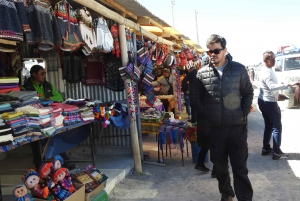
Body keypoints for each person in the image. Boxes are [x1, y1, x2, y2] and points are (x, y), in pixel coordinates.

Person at [195, 34, 253, 201]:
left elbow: (248, 92)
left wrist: (243, 112)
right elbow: (196, 99)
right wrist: (207, 114)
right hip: (215, 130)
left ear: (225, 50)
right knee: (219, 168)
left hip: (237, 128)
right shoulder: (202, 73)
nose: (213, 54)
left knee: (240, 168)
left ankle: (245, 198)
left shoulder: (239, 69)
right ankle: (226, 193)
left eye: (217, 51)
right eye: (210, 51)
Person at [21, 65, 75, 170]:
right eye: (42, 73)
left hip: (49, 118)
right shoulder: (25, 88)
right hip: (34, 120)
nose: (44, 75)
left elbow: (59, 97)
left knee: (56, 136)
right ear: (34, 74)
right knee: (35, 142)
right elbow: (23, 102)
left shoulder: (48, 85)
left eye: (45, 73)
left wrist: (48, 98)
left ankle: (63, 162)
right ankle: (39, 166)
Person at [258, 51, 297, 160]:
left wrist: (277, 95)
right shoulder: (267, 72)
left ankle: (266, 148)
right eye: (272, 59)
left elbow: (267, 87)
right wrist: (288, 85)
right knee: (277, 127)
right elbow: (271, 86)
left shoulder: (266, 70)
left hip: (265, 100)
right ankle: (276, 152)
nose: (274, 61)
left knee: (269, 126)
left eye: (274, 58)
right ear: (265, 60)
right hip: (269, 103)